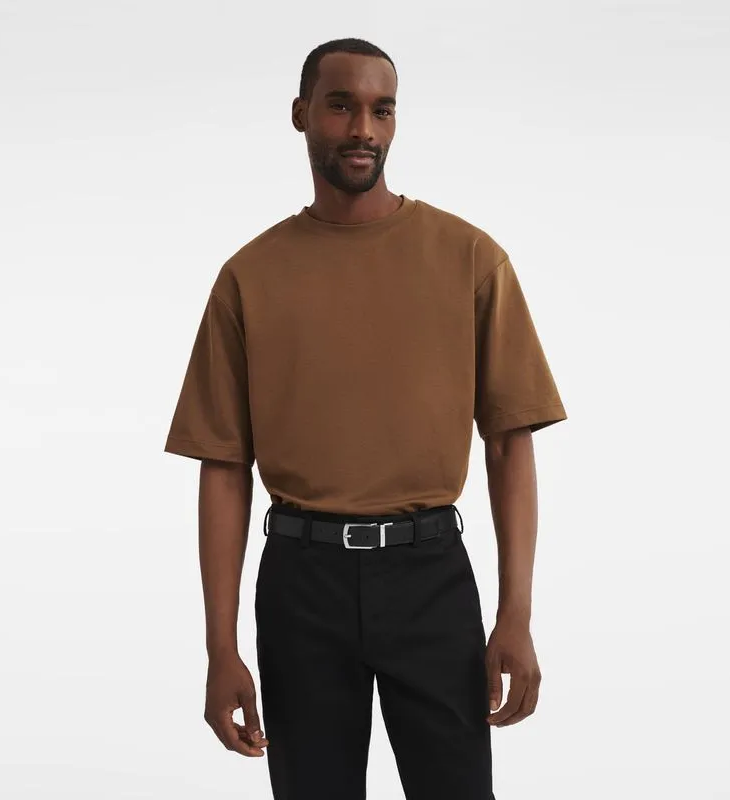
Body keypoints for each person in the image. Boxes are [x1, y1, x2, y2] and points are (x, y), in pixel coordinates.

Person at [163, 37, 567, 800]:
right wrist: (220, 648)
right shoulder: (249, 276)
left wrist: (515, 614)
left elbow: (509, 443)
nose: (363, 130)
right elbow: (223, 466)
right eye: (341, 105)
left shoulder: (470, 259)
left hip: (430, 575)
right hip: (299, 582)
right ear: (300, 114)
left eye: (383, 111)